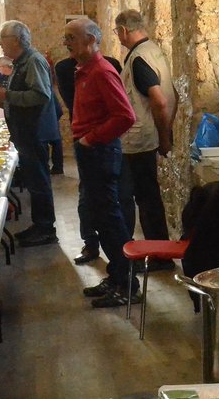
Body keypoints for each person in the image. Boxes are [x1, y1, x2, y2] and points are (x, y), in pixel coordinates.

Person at [64, 18, 139, 307]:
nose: (66, 42)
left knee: (109, 220)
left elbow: (125, 116)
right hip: (91, 151)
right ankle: (117, 276)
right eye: (65, 37)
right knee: (100, 218)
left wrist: (90, 139)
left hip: (100, 152)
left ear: (92, 40)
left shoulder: (102, 72)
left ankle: (128, 284)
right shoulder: (83, 70)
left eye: (72, 37)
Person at [114, 10, 177, 269]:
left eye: (117, 32)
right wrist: (166, 131)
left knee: (142, 198)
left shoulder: (139, 59)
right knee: (148, 197)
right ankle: (159, 253)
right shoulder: (154, 51)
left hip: (139, 141)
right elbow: (173, 95)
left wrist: (164, 137)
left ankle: (157, 257)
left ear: (124, 31)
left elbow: (160, 100)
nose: (118, 37)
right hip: (147, 136)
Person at [0, 21, 61, 247]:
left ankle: (46, 229)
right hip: (26, 132)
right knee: (33, 180)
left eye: (3, 37)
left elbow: (40, 95)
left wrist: (7, 96)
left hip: (35, 132)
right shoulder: (21, 62)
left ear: (17, 40)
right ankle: (40, 225)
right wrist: (2, 93)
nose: (0, 42)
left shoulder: (33, 61)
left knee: (39, 181)